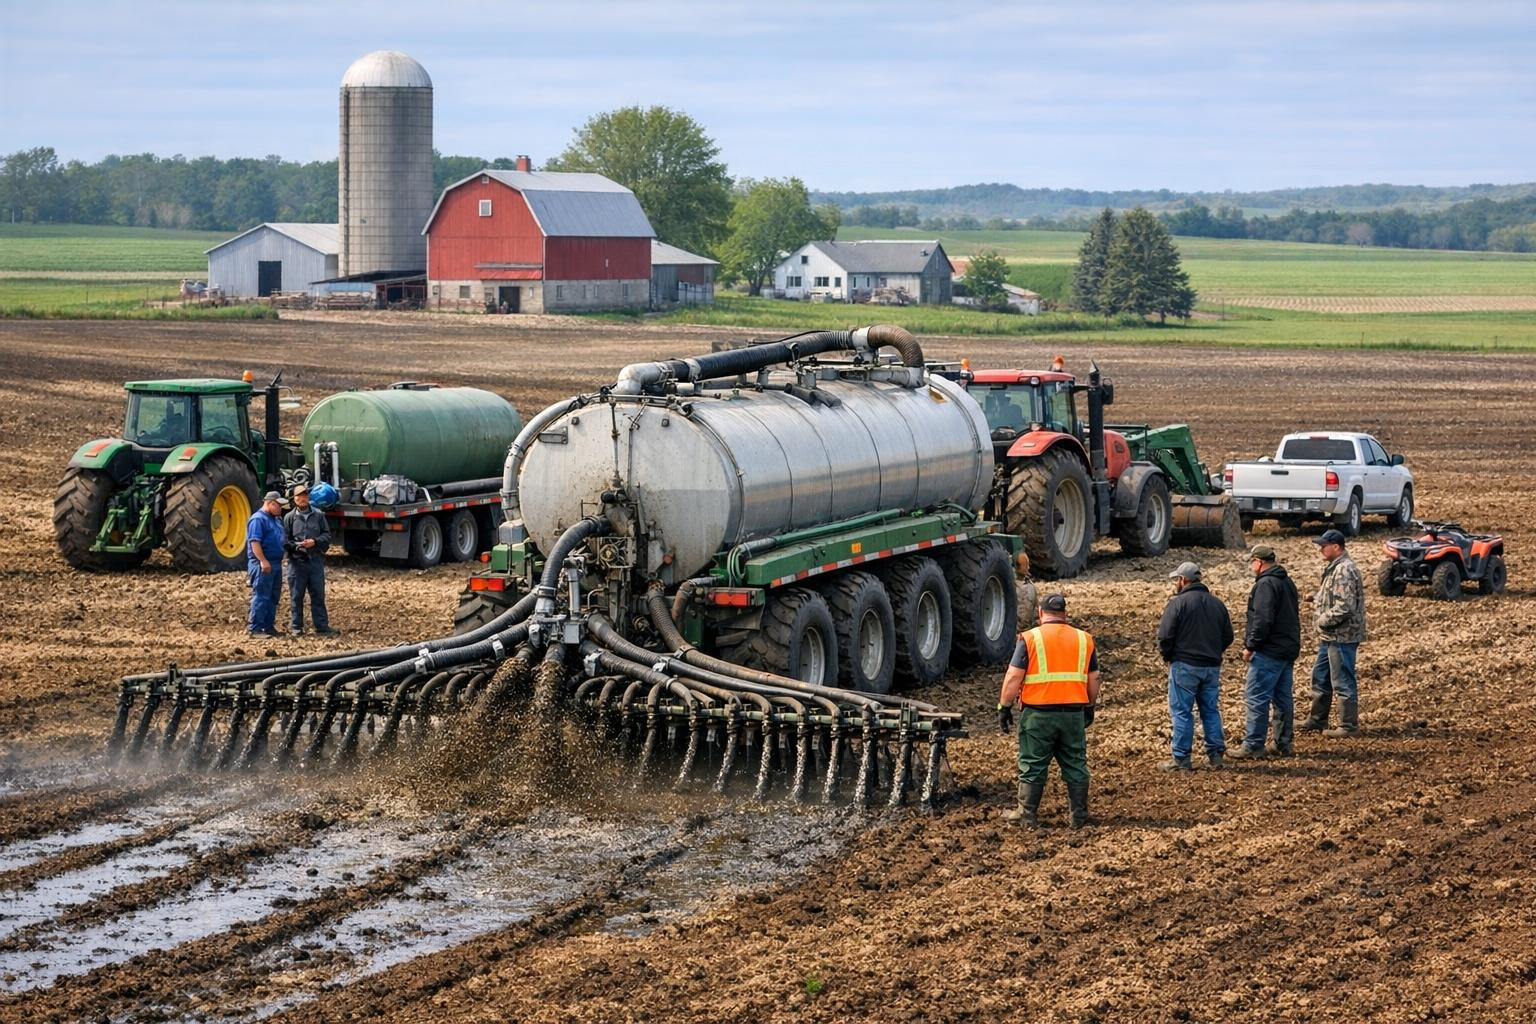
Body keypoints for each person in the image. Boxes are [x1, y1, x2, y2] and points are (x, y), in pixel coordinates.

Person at [996, 592, 1102, 828]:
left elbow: (1014, 676)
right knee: (1075, 763)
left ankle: (1027, 815)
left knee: (1032, 764)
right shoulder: (1084, 639)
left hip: (1038, 716)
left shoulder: (1030, 638)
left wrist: (1004, 706)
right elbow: (1094, 677)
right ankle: (1079, 817)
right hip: (1073, 715)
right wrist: (1090, 706)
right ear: (1065, 613)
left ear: (1041, 613)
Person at [1157, 561, 1234, 770]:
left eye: (1177, 579)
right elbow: (1228, 636)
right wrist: (1214, 652)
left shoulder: (1178, 603)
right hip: (1211, 666)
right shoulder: (1217, 604)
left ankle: (1181, 759)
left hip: (1184, 665)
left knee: (1182, 712)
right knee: (1210, 710)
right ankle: (1216, 756)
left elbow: (1165, 635)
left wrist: (1168, 656)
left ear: (1184, 580)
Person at [1227, 545, 1301, 759]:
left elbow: (1263, 619)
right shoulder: (1287, 581)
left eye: (1252, 562)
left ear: (1259, 562)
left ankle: (1253, 745)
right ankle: (1283, 743)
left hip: (1269, 650)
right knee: (1282, 699)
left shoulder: (1265, 584)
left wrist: (1250, 646)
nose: (1252, 566)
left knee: (1256, 697)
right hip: (1287, 648)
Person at [1300, 528, 1367, 737]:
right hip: (1330, 635)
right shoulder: (1335, 567)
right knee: (1320, 676)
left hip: (1341, 636)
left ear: (1336, 547)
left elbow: (1345, 606)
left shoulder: (1344, 570)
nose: (1320, 549)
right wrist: (1316, 597)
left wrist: (1322, 620)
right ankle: (1317, 719)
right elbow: (1334, 595)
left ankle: (1348, 726)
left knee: (1342, 680)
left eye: (1324, 545)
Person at [284, 484, 337, 637]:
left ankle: (322, 627)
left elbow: (327, 536)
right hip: (297, 563)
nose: (302, 498)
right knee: (296, 596)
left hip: (315, 561)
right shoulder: (289, 518)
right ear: (294, 499)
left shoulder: (319, 516)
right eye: (299, 496)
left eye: (305, 495)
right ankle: (296, 627)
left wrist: (315, 542)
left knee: (318, 595)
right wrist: (296, 546)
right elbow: (284, 540)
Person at [246, 491, 286, 637]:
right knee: (262, 595)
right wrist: (263, 561)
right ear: (271, 503)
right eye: (279, 506)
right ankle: (255, 628)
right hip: (262, 564)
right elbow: (255, 542)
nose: (280, 509)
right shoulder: (258, 519)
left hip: (275, 563)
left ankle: (268, 626)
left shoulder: (275, 519)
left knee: (273, 596)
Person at [1015, 551, 1039, 633]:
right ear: (1017, 566)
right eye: (1025, 565)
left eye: (1028, 565)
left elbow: (1036, 607)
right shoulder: (1008, 584)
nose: (1028, 568)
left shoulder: (1031, 586)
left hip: (1028, 632)